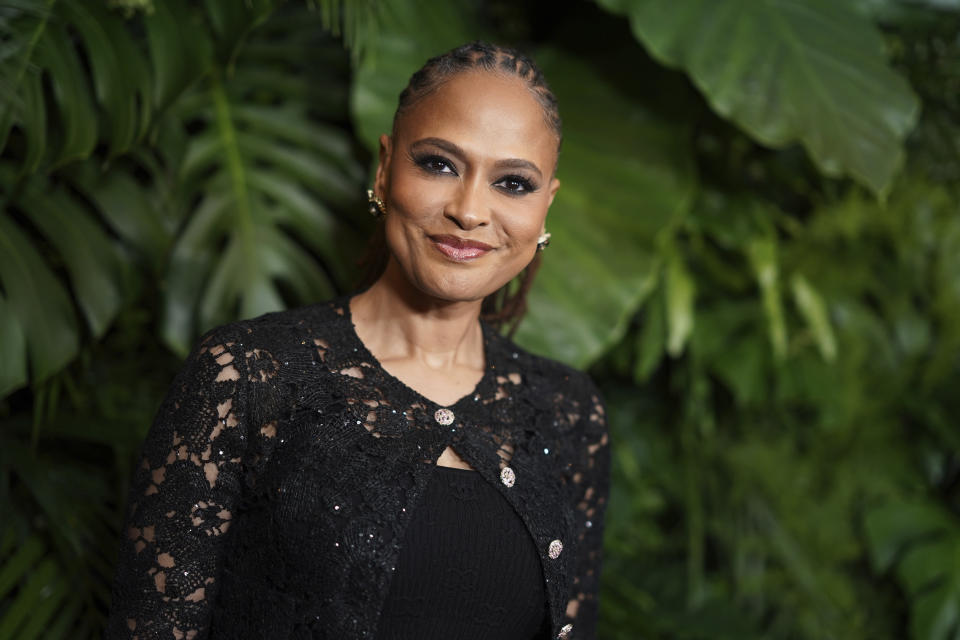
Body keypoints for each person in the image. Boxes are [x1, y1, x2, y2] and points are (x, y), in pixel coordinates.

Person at [105, 41, 610, 640]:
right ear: (385, 168)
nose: (471, 210)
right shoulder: (248, 375)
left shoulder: (568, 411)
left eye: (513, 183)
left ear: (545, 208)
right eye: (440, 165)